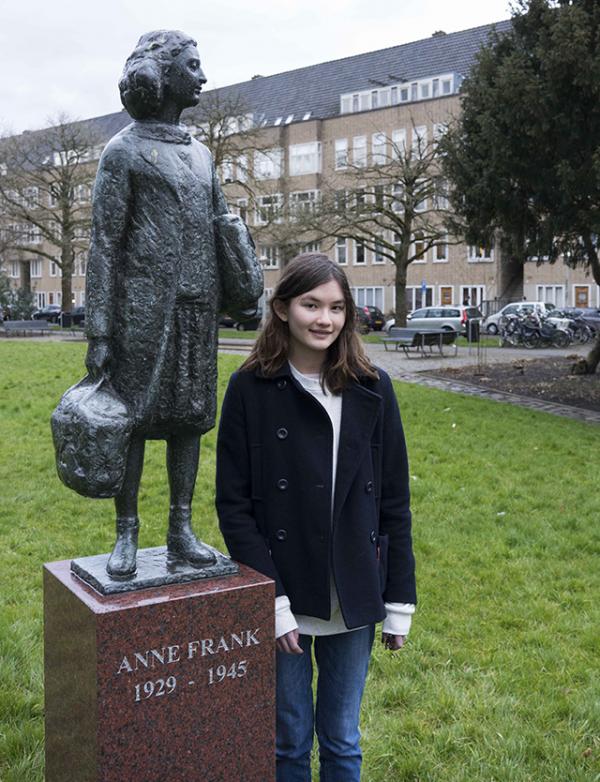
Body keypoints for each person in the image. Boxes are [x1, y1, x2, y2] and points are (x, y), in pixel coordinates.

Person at [216, 253, 416, 781]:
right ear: (282, 309)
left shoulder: (373, 387)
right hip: (285, 590)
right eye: (311, 305)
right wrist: (272, 600)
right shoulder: (249, 390)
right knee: (288, 740)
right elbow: (234, 507)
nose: (324, 319)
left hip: (352, 589)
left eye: (336, 307)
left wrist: (398, 600)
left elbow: (393, 502)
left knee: (343, 740)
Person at [85, 30, 229, 576]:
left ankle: (181, 529)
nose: (202, 77)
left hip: (197, 307)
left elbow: (217, 224)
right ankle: (127, 532)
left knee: (188, 420)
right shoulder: (122, 152)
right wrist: (100, 331)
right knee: (135, 420)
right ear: (163, 75)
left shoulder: (201, 153)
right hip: (139, 315)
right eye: (193, 66)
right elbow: (103, 243)